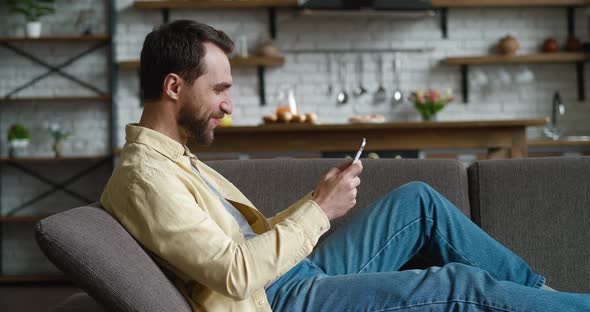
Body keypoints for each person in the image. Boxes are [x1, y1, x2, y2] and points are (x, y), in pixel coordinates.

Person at [101, 20, 590, 312]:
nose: (228, 106)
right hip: (277, 302)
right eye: (220, 90)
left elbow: (239, 244)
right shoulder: (146, 177)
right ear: (173, 88)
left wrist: (317, 201)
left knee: (418, 201)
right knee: (456, 284)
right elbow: (233, 274)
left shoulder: (174, 158)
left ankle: (544, 298)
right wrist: (318, 213)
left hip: (287, 277)